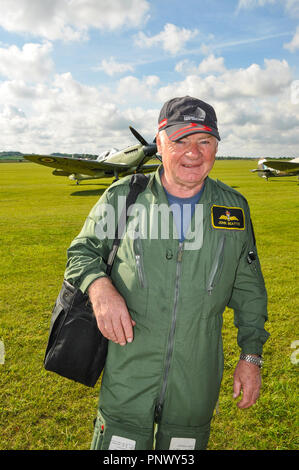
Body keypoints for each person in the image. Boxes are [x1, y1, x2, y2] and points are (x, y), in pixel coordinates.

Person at [64, 96, 269, 450]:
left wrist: (251, 356)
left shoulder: (233, 209)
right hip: (128, 372)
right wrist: (99, 287)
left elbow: (249, 288)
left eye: (204, 141)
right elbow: (82, 252)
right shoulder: (124, 198)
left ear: (216, 148)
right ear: (160, 144)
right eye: (180, 140)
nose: (194, 151)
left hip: (196, 378)